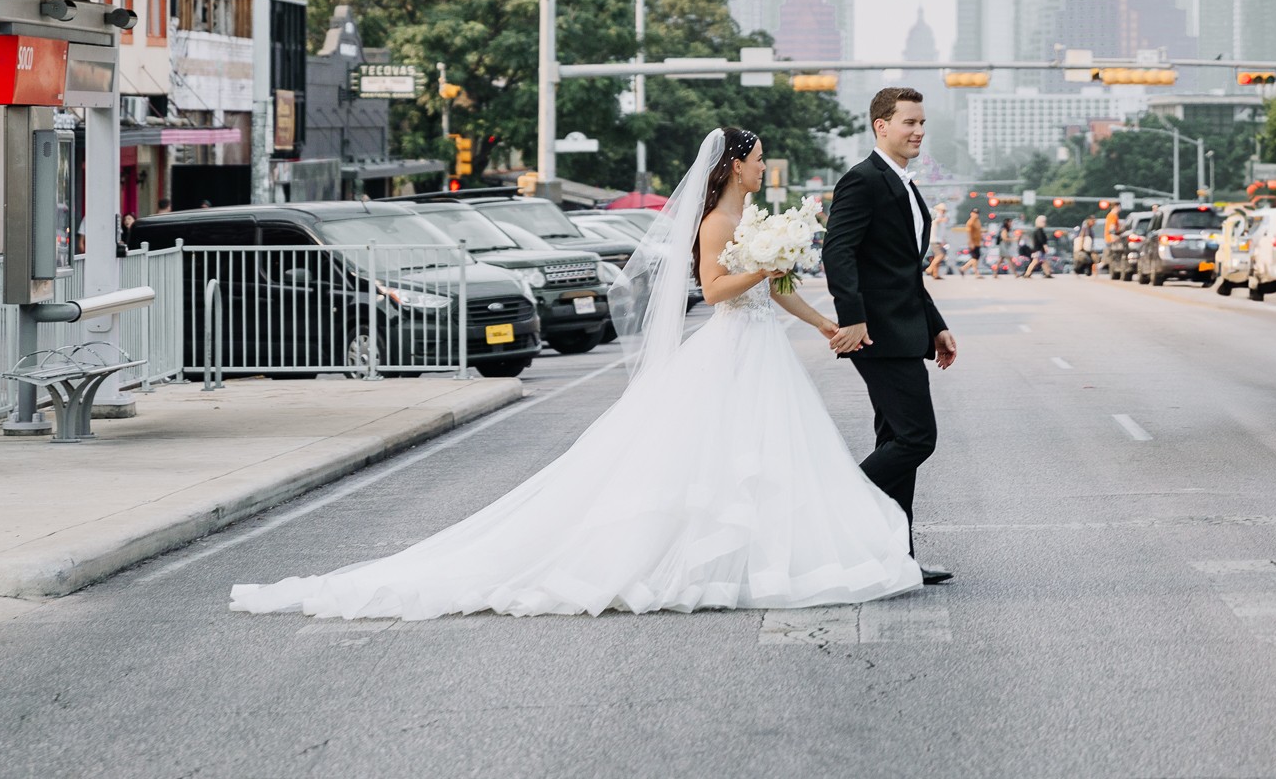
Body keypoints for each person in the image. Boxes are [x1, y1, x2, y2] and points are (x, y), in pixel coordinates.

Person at [230, 125, 922, 620]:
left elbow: (771, 289)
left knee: (761, 460)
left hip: (763, 347)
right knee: (716, 459)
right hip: (731, 349)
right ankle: (694, 560)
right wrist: (761, 267)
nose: (765, 167)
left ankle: (758, 555)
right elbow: (714, 290)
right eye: (759, 159)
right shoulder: (716, 219)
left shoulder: (751, 214)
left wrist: (822, 321)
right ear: (734, 163)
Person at [821, 86, 958, 585]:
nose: (918, 131)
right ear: (881, 126)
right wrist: (852, 318)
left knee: (895, 441)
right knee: (917, 438)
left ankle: (894, 559)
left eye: (922, 123)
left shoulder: (904, 183)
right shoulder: (863, 181)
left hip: (905, 329)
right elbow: (838, 253)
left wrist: (936, 326)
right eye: (909, 123)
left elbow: (904, 271)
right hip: (876, 335)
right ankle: (833, 501)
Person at [962, 211, 984, 276]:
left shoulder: (978, 221)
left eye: (977, 213)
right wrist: (971, 242)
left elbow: (979, 231)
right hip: (973, 242)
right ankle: (963, 268)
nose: (976, 215)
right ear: (971, 214)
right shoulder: (970, 222)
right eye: (974, 213)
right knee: (975, 258)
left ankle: (976, 273)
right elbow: (969, 233)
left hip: (978, 242)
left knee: (975, 258)